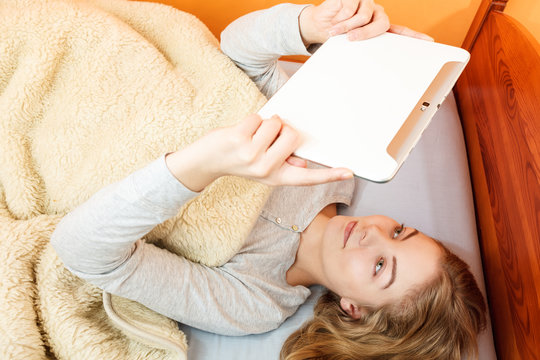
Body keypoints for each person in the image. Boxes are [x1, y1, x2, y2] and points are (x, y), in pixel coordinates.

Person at [51, 1, 487, 359]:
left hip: (68, 141)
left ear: (355, 311)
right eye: (400, 231)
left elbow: (85, 251)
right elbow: (237, 56)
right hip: (118, 64)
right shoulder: (333, 170)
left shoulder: (257, 302)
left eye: (380, 266)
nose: (373, 234)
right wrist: (311, 24)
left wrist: (204, 165)